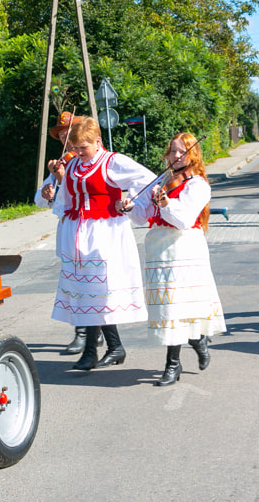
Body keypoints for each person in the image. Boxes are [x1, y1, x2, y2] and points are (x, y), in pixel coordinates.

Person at [121, 132, 225, 386]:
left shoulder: (198, 185)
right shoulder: (161, 180)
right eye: (173, 151)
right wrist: (129, 207)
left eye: (182, 152)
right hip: (159, 248)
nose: (176, 156)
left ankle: (173, 364)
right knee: (167, 307)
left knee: (175, 308)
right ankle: (196, 340)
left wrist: (167, 204)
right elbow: (143, 215)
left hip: (184, 249)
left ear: (193, 155)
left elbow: (183, 219)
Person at [50, 116, 154, 370]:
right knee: (90, 293)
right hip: (78, 232)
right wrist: (55, 194)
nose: (77, 152)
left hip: (105, 232)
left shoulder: (113, 162)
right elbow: (64, 198)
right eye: (74, 148)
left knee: (97, 291)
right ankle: (113, 348)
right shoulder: (73, 164)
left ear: (97, 142)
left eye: (83, 148)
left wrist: (131, 203)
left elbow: (148, 180)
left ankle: (92, 352)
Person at [34, 111, 103, 355]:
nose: (65, 138)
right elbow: (40, 200)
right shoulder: (64, 163)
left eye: (69, 134)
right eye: (62, 135)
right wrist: (49, 191)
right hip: (69, 232)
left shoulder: (92, 161)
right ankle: (83, 333)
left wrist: (62, 179)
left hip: (92, 231)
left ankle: (94, 333)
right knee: (75, 285)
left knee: (94, 284)